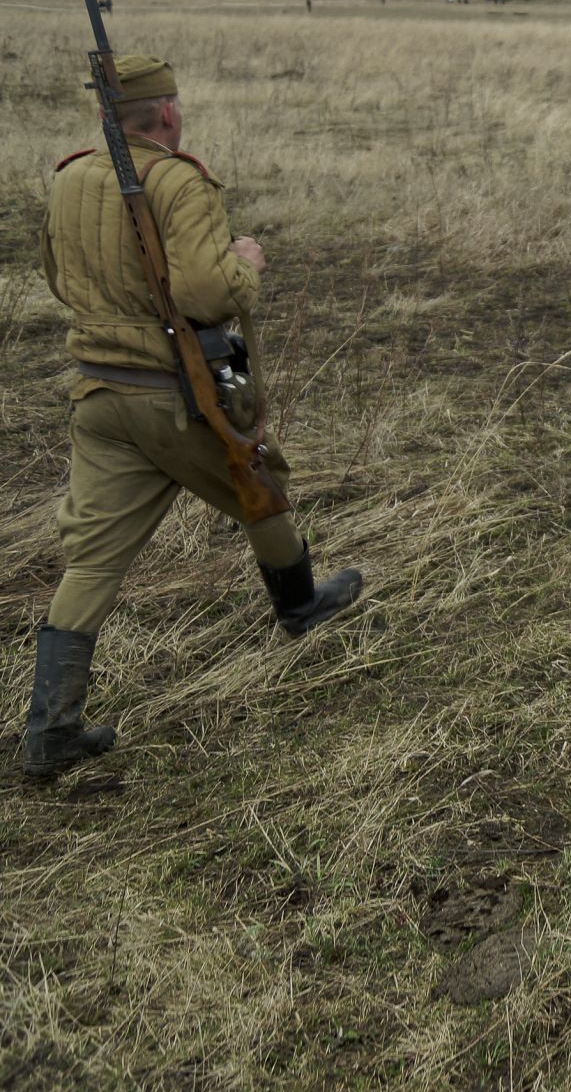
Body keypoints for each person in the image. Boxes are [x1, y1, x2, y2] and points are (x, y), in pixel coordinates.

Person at [26, 54, 363, 778]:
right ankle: (301, 607)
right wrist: (245, 262)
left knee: (92, 557)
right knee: (256, 480)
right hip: (176, 393)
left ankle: (50, 730)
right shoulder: (179, 180)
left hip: (100, 392)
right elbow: (210, 294)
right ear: (169, 114)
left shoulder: (68, 178)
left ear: (104, 117)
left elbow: (59, 280)